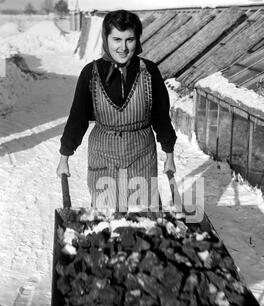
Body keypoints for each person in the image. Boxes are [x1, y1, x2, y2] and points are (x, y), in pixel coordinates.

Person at [56, 9, 177, 211]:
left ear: (137, 40)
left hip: (142, 154)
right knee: (106, 217)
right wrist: (64, 157)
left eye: (129, 40)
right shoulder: (91, 73)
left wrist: (169, 154)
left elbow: (161, 116)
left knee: (144, 217)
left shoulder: (149, 71)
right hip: (103, 154)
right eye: (116, 39)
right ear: (106, 39)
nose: (122, 47)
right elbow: (78, 118)